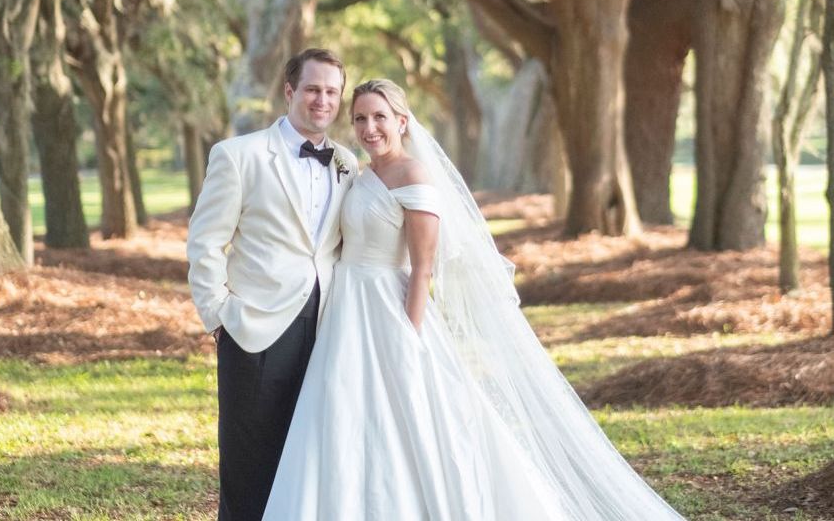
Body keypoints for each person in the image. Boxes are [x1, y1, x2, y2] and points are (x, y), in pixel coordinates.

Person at [263, 78, 686, 520]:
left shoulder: (414, 175)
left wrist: (408, 333)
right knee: (341, 413)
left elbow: (423, 266)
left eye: (380, 117)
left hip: (389, 311)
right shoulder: (362, 173)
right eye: (361, 119)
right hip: (346, 312)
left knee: (405, 422)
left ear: (402, 121)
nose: (370, 128)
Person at [186, 48, 359, 521]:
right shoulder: (238, 156)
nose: (322, 100)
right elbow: (205, 242)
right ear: (289, 92)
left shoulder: (346, 163)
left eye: (331, 91)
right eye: (312, 89)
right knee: (249, 463)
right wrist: (217, 314)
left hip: (326, 327)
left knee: (306, 458)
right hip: (254, 328)